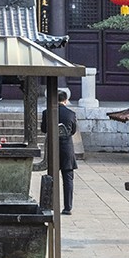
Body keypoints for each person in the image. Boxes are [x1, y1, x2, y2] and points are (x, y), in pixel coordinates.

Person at [54, 87, 79, 215]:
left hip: (53, 147)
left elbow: (43, 129)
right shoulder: (71, 114)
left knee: (52, 177)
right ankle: (67, 207)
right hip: (67, 147)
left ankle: (51, 204)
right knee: (68, 178)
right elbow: (73, 131)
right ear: (65, 100)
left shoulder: (47, 112)